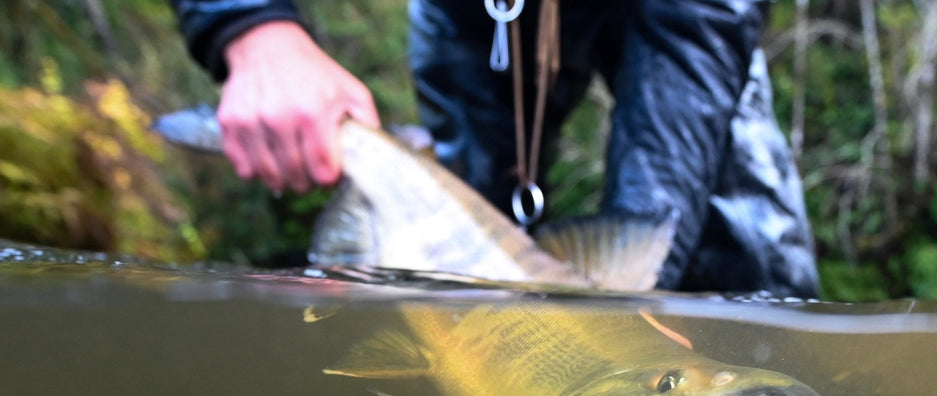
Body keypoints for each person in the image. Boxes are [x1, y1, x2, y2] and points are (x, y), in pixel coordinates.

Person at [170, 0, 821, 298]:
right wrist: (254, 27)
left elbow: (695, 37)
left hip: (683, 14)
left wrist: (639, 298)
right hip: (473, 16)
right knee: (450, 279)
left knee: (751, 266)